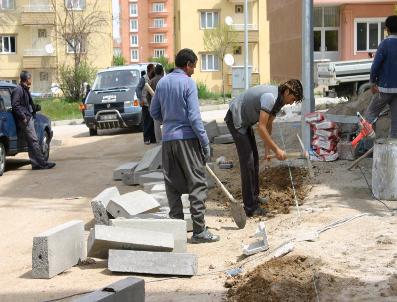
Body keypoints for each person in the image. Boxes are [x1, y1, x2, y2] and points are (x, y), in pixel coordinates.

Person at [150, 48, 220, 243]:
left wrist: (169, 120)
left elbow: (154, 112)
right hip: (187, 140)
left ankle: (177, 230)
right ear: (188, 65)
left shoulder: (163, 82)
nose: (194, 71)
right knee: (197, 183)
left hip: (168, 141)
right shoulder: (188, 83)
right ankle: (199, 231)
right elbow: (194, 117)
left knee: (172, 184)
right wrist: (205, 142)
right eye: (194, 67)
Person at [224, 79, 303, 217]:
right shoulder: (270, 97)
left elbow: (268, 126)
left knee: (254, 159)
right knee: (247, 162)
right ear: (287, 91)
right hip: (236, 118)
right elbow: (261, 127)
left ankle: (254, 197)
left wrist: (267, 151)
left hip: (245, 122)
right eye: (293, 98)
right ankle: (250, 207)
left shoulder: (279, 103)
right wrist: (277, 150)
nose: (292, 102)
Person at [11, 71, 56, 170]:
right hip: (25, 120)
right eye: (30, 78)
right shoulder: (18, 90)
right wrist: (23, 117)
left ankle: (36, 164)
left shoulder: (25, 90)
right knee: (34, 141)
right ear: (26, 79)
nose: (31, 80)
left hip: (28, 117)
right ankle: (43, 163)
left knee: (31, 142)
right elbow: (15, 105)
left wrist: (35, 107)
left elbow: (26, 105)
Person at [364, 15, 397, 138]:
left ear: (387, 29)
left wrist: (373, 83)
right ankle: (393, 152)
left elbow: (375, 66)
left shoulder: (385, 44)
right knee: (396, 124)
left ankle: (370, 145)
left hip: (383, 90)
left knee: (369, 116)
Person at [147, 64, 165, 143]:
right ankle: (166, 139)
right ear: (162, 71)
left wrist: (149, 105)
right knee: (167, 123)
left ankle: (159, 141)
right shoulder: (165, 80)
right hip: (165, 105)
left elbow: (147, 95)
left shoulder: (151, 81)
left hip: (155, 105)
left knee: (156, 124)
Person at [141, 64, 156, 144]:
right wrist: (140, 99)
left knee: (152, 122)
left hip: (152, 103)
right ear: (149, 70)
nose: (154, 70)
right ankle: (146, 139)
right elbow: (137, 89)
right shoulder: (143, 79)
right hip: (145, 104)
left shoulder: (153, 78)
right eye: (153, 69)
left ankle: (153, 138)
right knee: (146, 122)